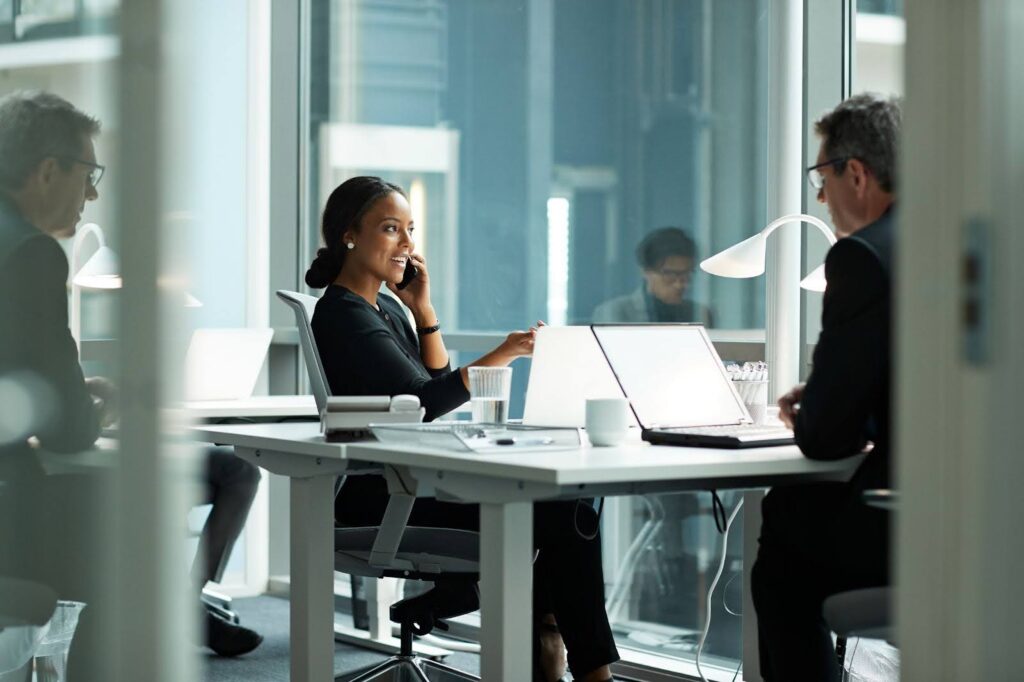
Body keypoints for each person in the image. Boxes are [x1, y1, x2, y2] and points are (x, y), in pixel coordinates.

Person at [307, 176, 620, 682]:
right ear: (349, 234)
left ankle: (544, 648)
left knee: (569, 505)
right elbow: (430, 401)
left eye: (410, 229)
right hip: (380, 494)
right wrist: (510, 350)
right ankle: (578, 667)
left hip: (411, 481)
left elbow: (431, 379)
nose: (408, 243)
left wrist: (422, 310)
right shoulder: (343, 314)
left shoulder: (383, 307)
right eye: (391, 229)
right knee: (561, 511)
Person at [0, 90, 262, 659]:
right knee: (129, 533)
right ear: (48, 171)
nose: (92, 194)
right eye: (88, 174)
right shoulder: (31, 252)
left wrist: (58, 397)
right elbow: (73, 432)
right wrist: (96, 406)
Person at [750, 93, 899, 681]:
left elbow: (826, 439)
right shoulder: (966, 240)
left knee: (783, 540)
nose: (819, 196)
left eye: (822, 176)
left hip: (910, 526)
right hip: (990, 520)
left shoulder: (862, 257)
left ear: (855, 173)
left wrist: (807, 413)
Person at [592, 226, 712, 324]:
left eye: (686, 274)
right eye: (670, 274)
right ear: (646, 271)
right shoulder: (615, 312)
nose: (680, 284)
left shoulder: (700, 314)